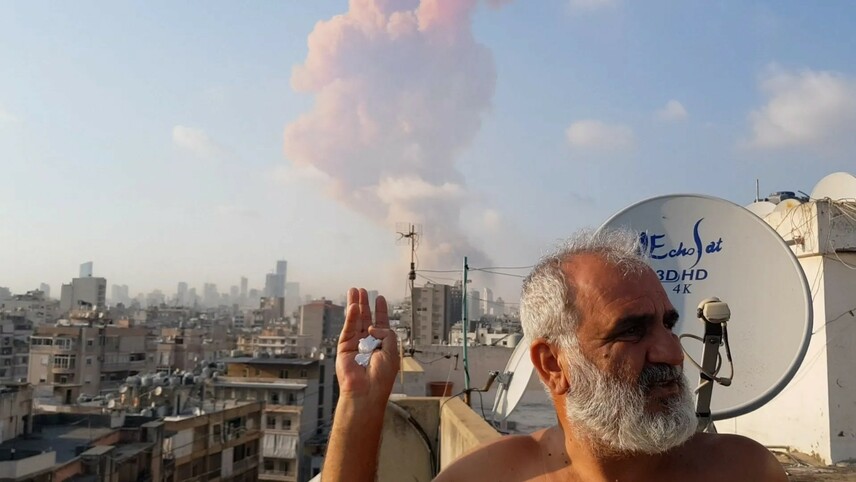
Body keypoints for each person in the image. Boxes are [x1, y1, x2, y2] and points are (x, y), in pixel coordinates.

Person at [323, 229, 788, 482]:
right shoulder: (487, 478)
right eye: (631, 331)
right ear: (552, 364)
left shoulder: (744, 471)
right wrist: (360, 408)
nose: (671, 351)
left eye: (668, 323)